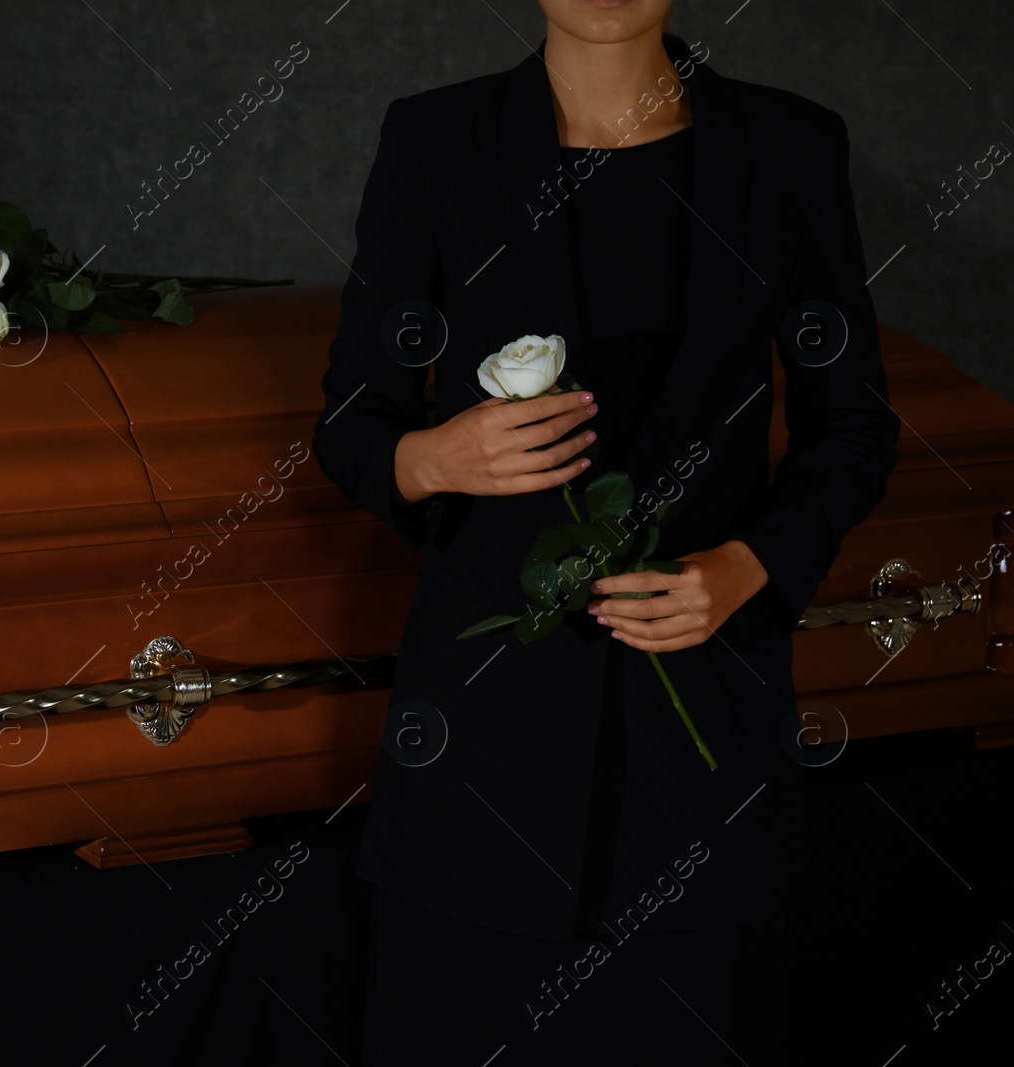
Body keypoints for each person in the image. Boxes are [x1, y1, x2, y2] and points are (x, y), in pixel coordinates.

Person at [311, 1, 900, 1062]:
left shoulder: (789, 144)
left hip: (706, 733)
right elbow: (356, 415)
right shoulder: (435, 139)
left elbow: (850, 424)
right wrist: (430, 458)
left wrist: (749, 565)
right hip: (481, 756)